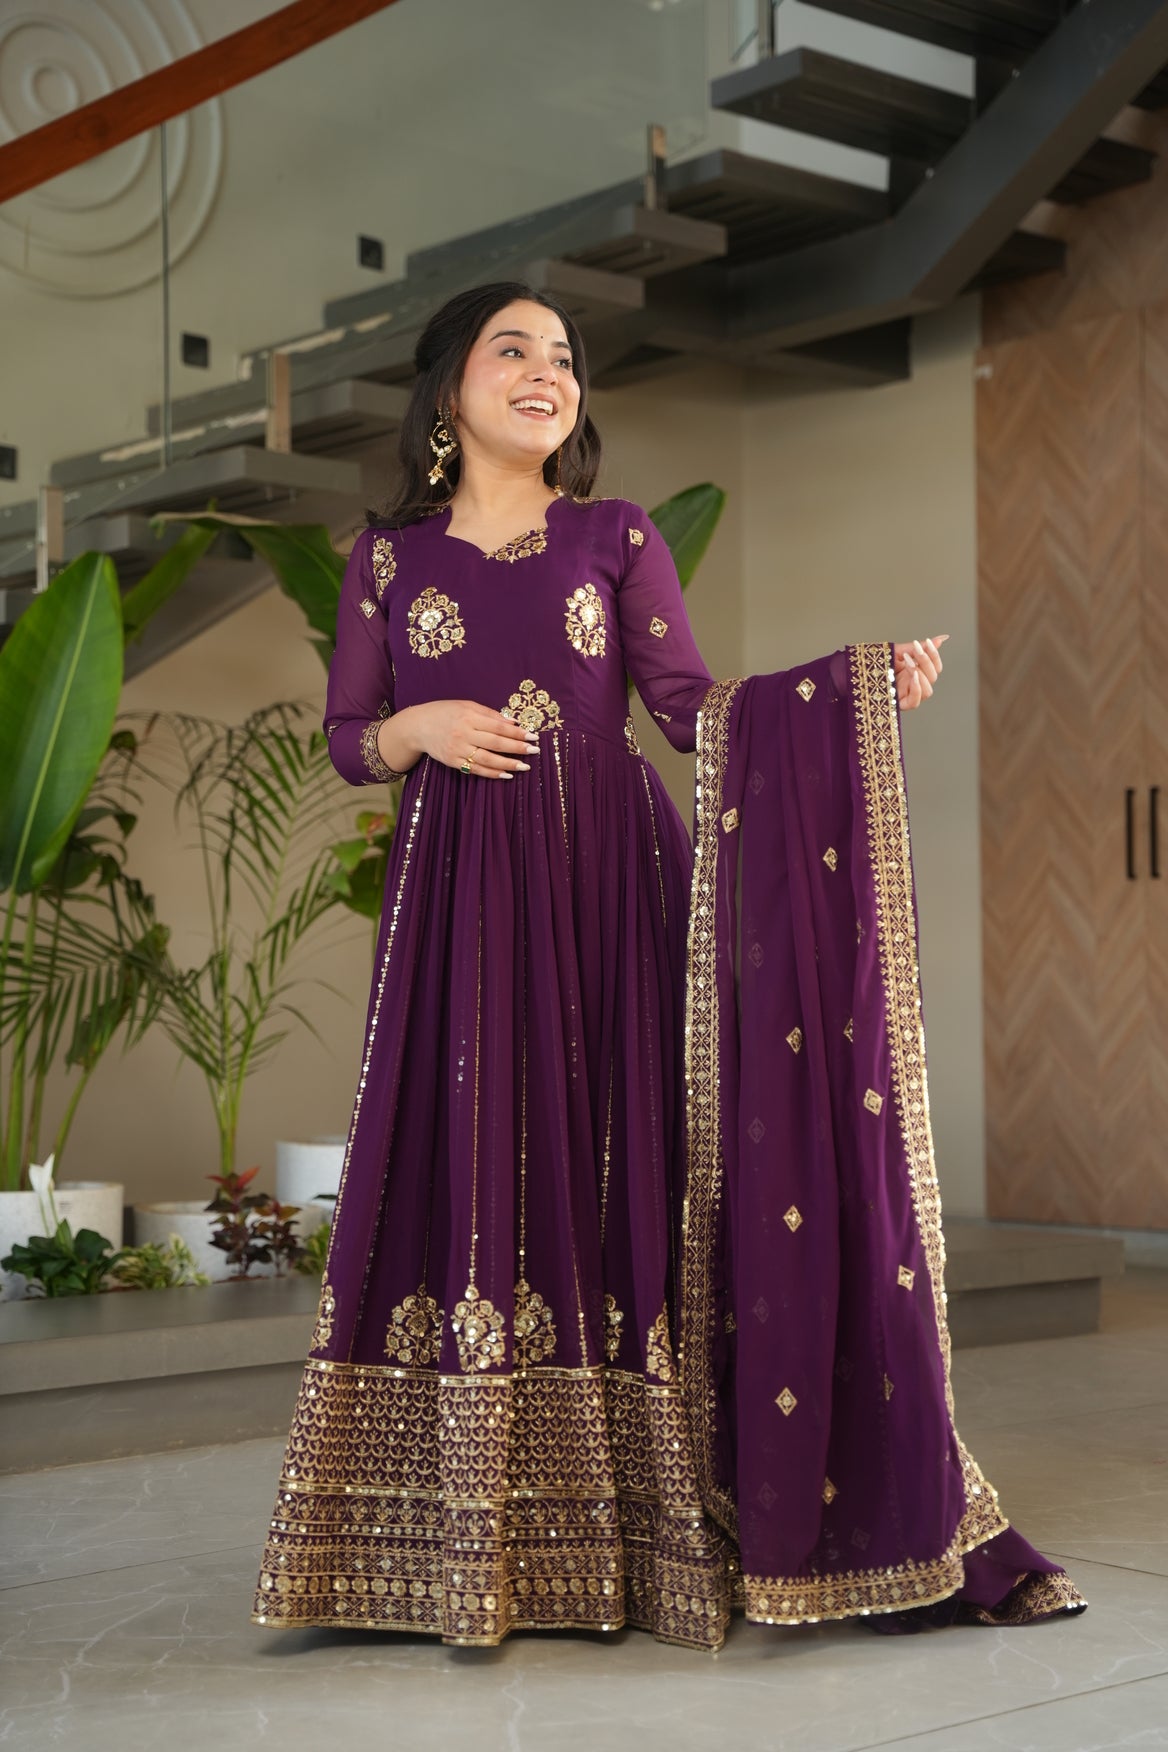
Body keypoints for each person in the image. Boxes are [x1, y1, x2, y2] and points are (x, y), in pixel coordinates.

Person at [251, 281, 1084, 1649]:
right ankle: (459, 1532)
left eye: (563, 357)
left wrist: (848, 692)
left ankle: (651, 1516)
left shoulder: (613, 538)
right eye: (510, 350)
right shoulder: (388, 560)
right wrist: (423, 730)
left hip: (607, 894)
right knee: (464, 1159)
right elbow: (348, 731)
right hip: (458, 903)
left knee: (616, 1160)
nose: (544, 372)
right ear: (446, 392)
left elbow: (696, 716)